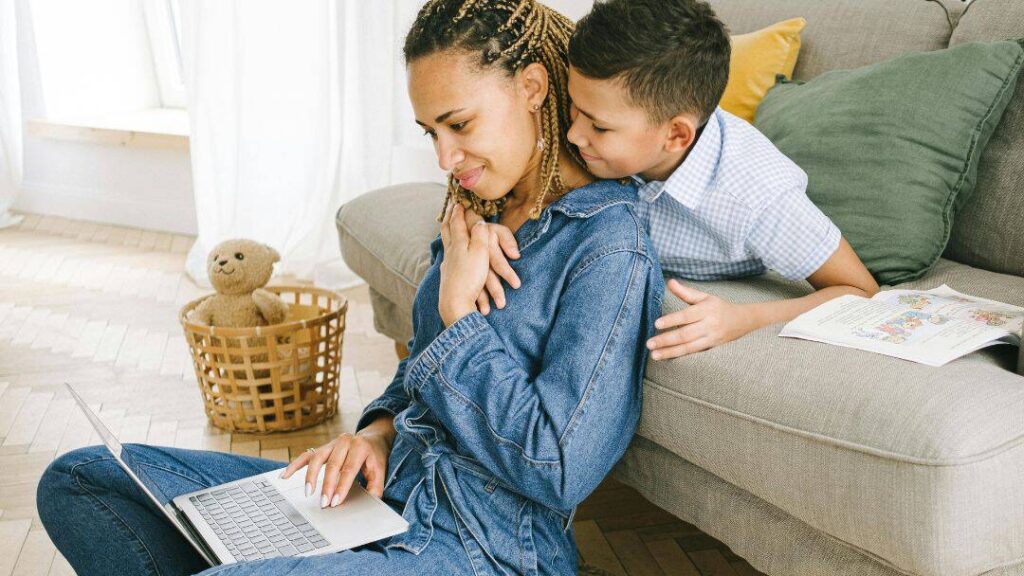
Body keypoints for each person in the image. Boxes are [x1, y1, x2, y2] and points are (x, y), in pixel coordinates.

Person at [34, 1, 664, 574]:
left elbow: (558, 466)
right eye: (430, 132)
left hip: (480, 544)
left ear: (531, 87)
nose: (445, 158)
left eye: (460, 124)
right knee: (82, 479)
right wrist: (376, 433)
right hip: (377, 501)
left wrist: (458, 315)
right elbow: (420, 370)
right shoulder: (476, 212)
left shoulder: (609, 245)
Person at [474, 0, 880, 360]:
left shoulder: (758, 197)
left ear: (676, 136)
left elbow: (861, 291)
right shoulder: (601, 116)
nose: (574, 135)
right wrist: (481, 222)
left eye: (597, 126)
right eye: (574, 110)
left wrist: (745, 318)